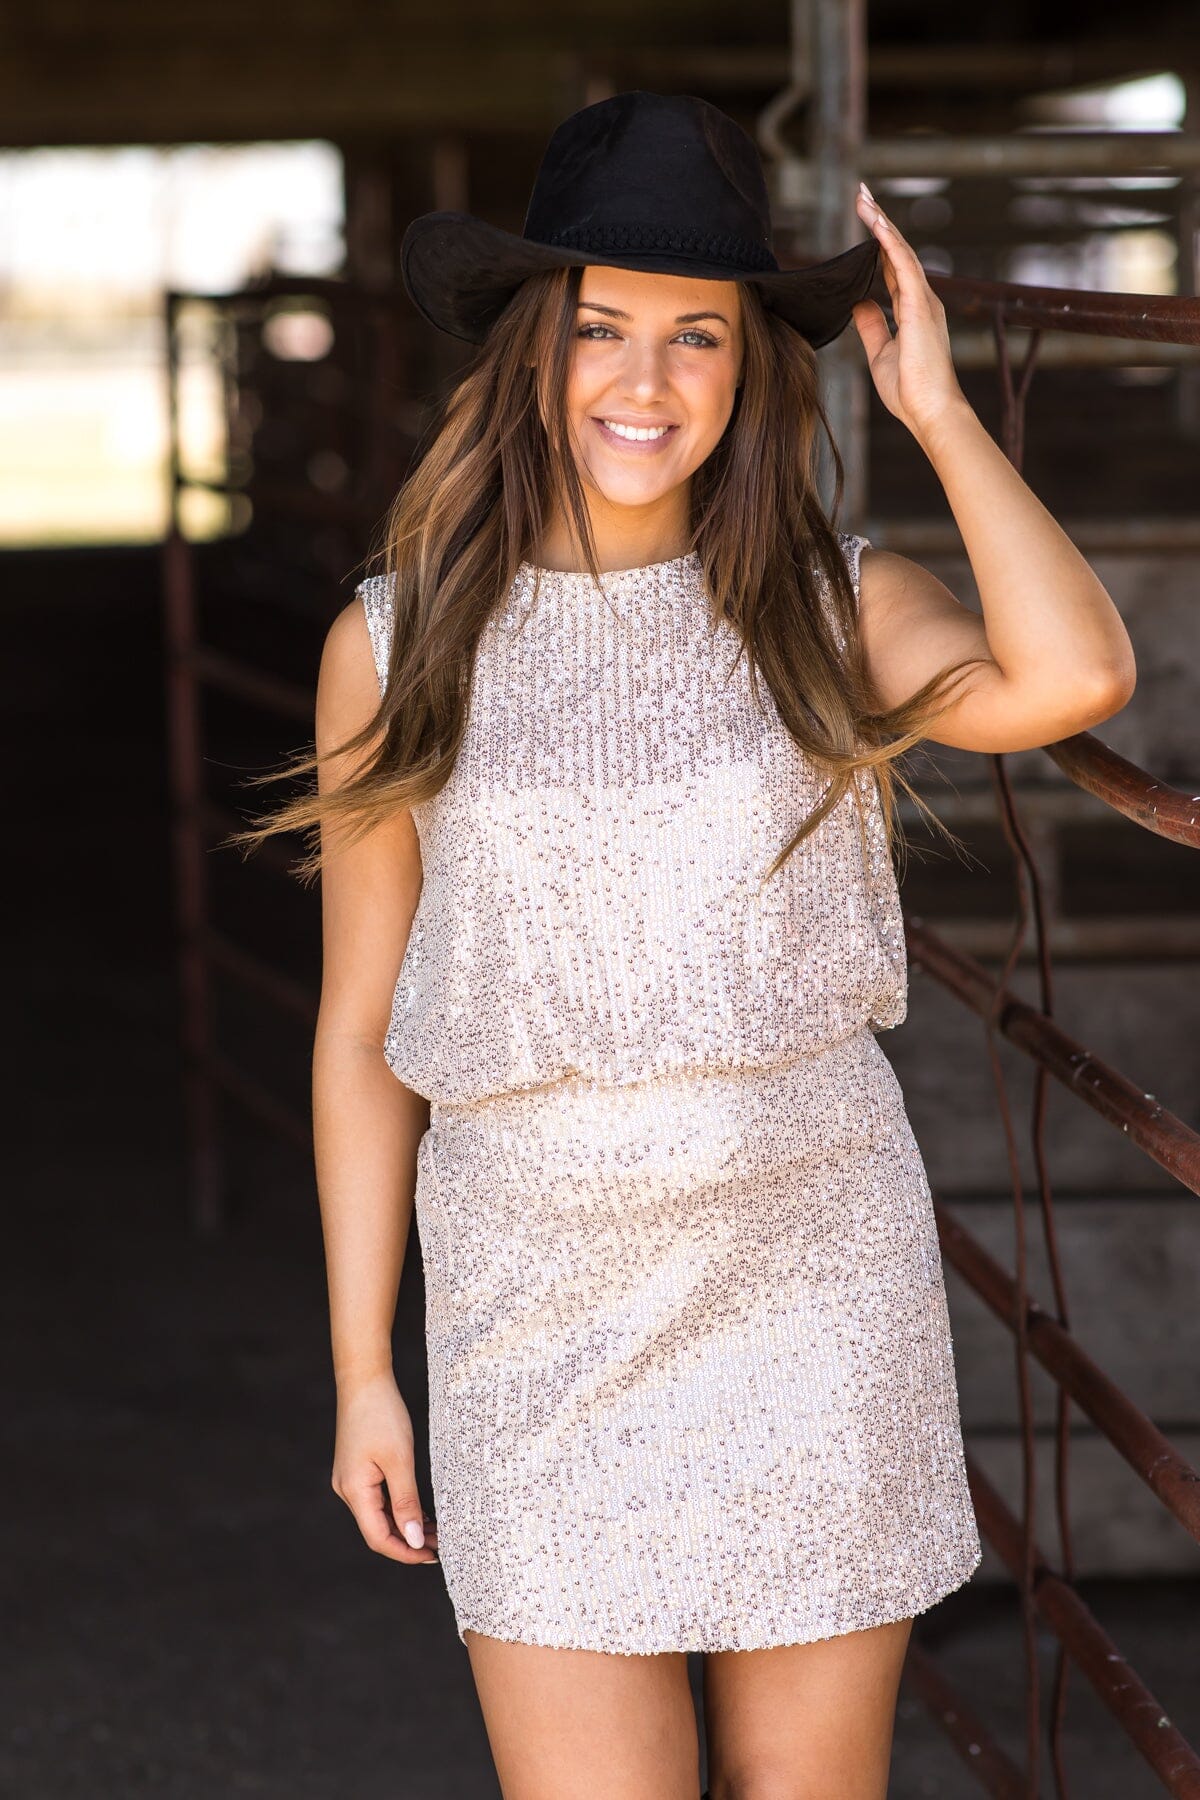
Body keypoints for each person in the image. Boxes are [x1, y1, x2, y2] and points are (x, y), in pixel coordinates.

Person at [247, 91, 1136, 1800]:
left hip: (812, 1285)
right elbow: (362, 1029)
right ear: (532, 349)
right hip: (531, 1305)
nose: (643, 381)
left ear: (751, 369)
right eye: (600, 327)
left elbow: (1076, 674)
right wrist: (365, 1372)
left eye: (698, 336)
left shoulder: (832, 606)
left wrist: (938, 410)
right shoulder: (398, 642)